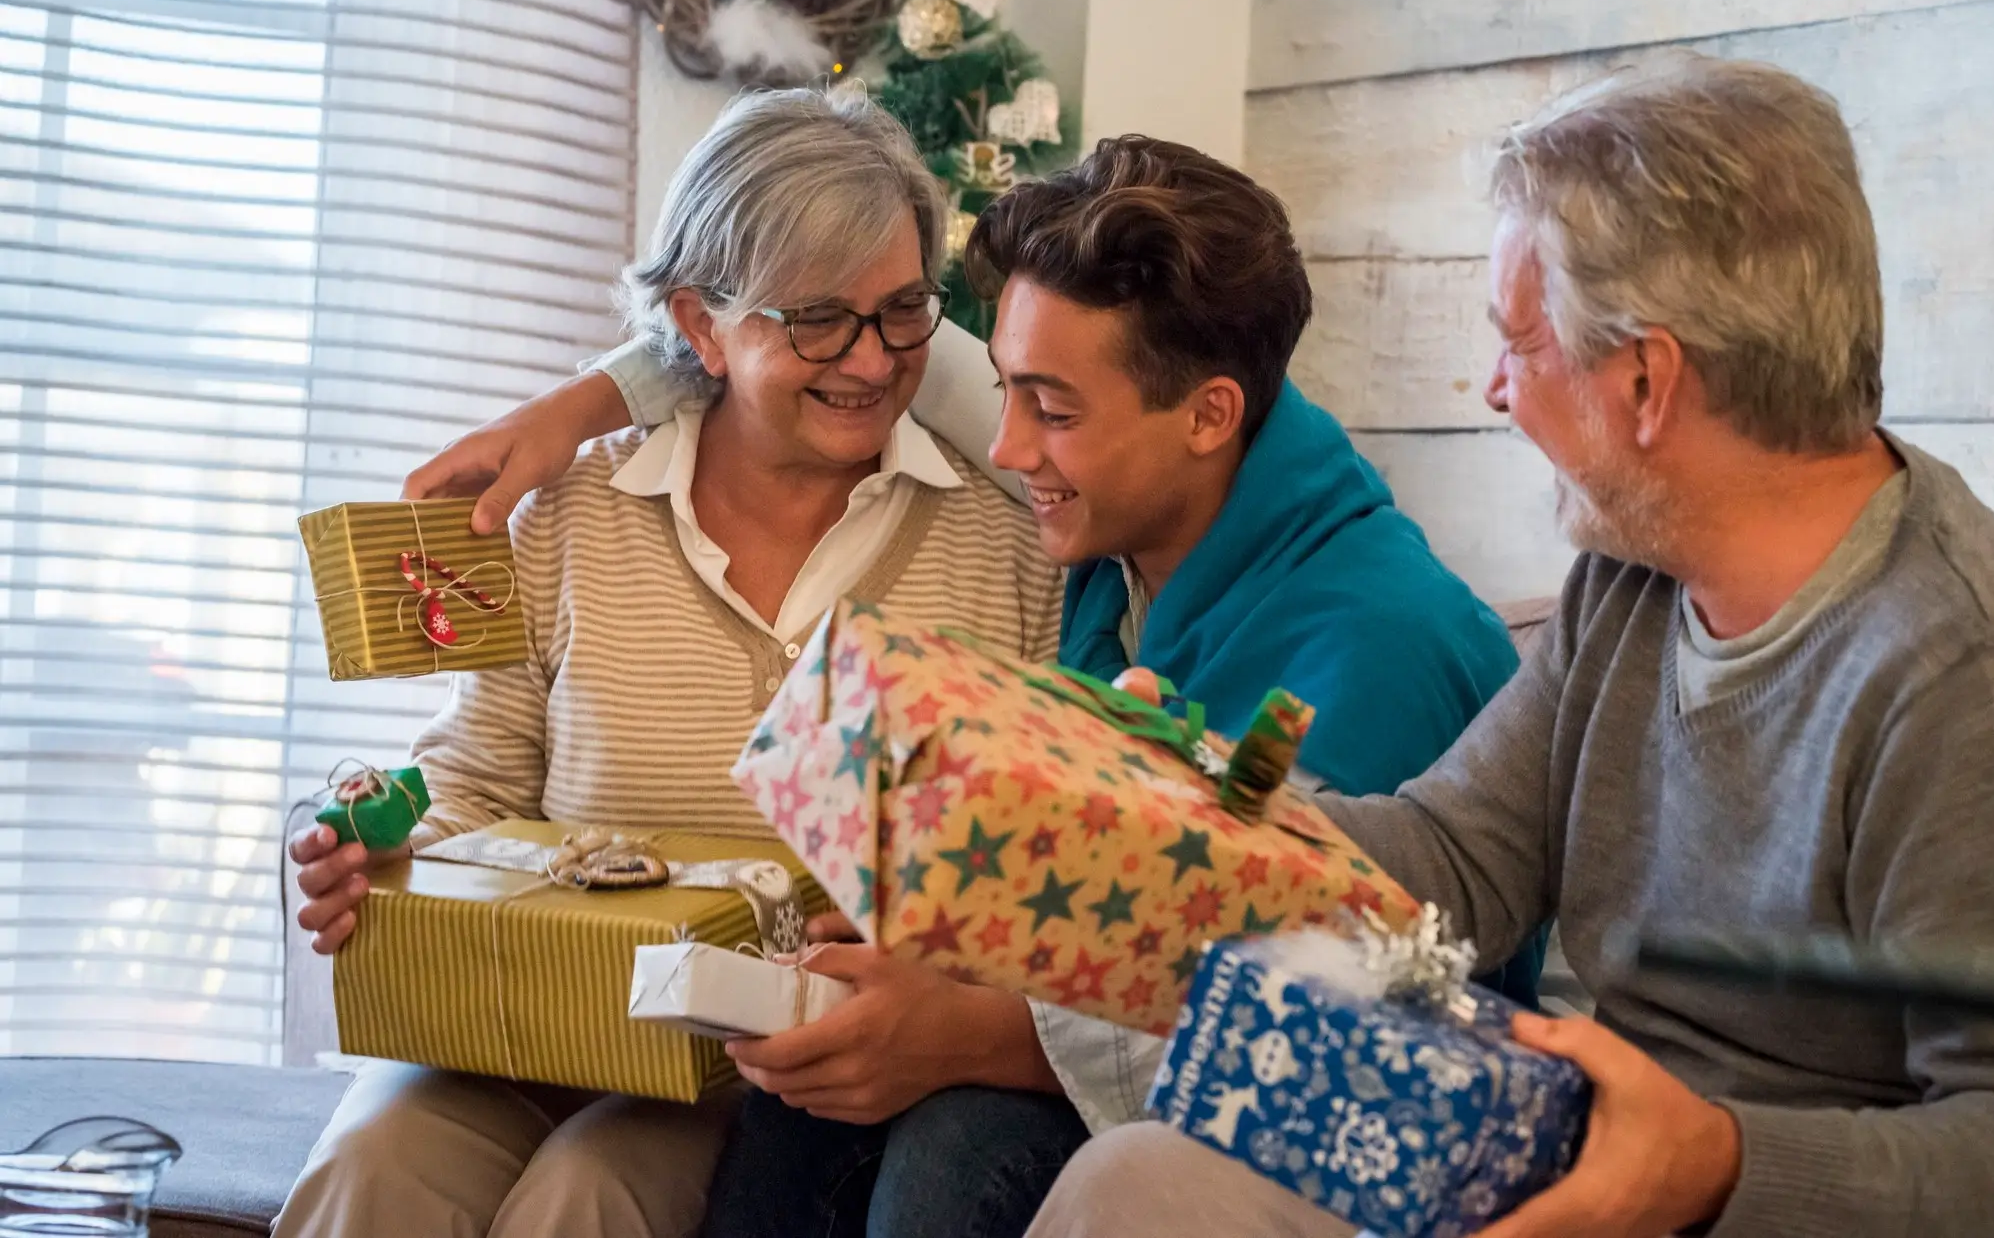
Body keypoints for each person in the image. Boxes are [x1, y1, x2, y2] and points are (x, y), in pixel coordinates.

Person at [409, 135, 1523, 1238]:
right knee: (799, 1109)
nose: (1001, 442)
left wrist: (977, 1034)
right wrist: (567, 411)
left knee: (956, 1140)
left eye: (1050, 409)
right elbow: (773, 323)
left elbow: (1341, 1045)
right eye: (1003, 391)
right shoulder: (1105, 525)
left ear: (1208, 416)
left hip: (1310, 1133)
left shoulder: (1376, 647)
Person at [1023, 56, 1994, 1238]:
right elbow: (1458, 851)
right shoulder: (1629, 576)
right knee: (1136, 1184)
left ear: (1643, 380)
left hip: (1752, 1201)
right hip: (1557, 1151)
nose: (1490, 388)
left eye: (1518, 344)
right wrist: (1211, 809)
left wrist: (1718, 1162)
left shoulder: (1951, 669)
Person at [275, 83, 1062, 1238]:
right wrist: (374, 852)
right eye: (816, 320)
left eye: (902, 312)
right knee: (369, 1166)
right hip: (520, 1016)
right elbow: (475, 786)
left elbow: (1015, 877)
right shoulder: (566, 514)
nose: (871, 358)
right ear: (697, 327)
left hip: (747, 1066)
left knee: (587, 1195)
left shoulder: (1003, 556)